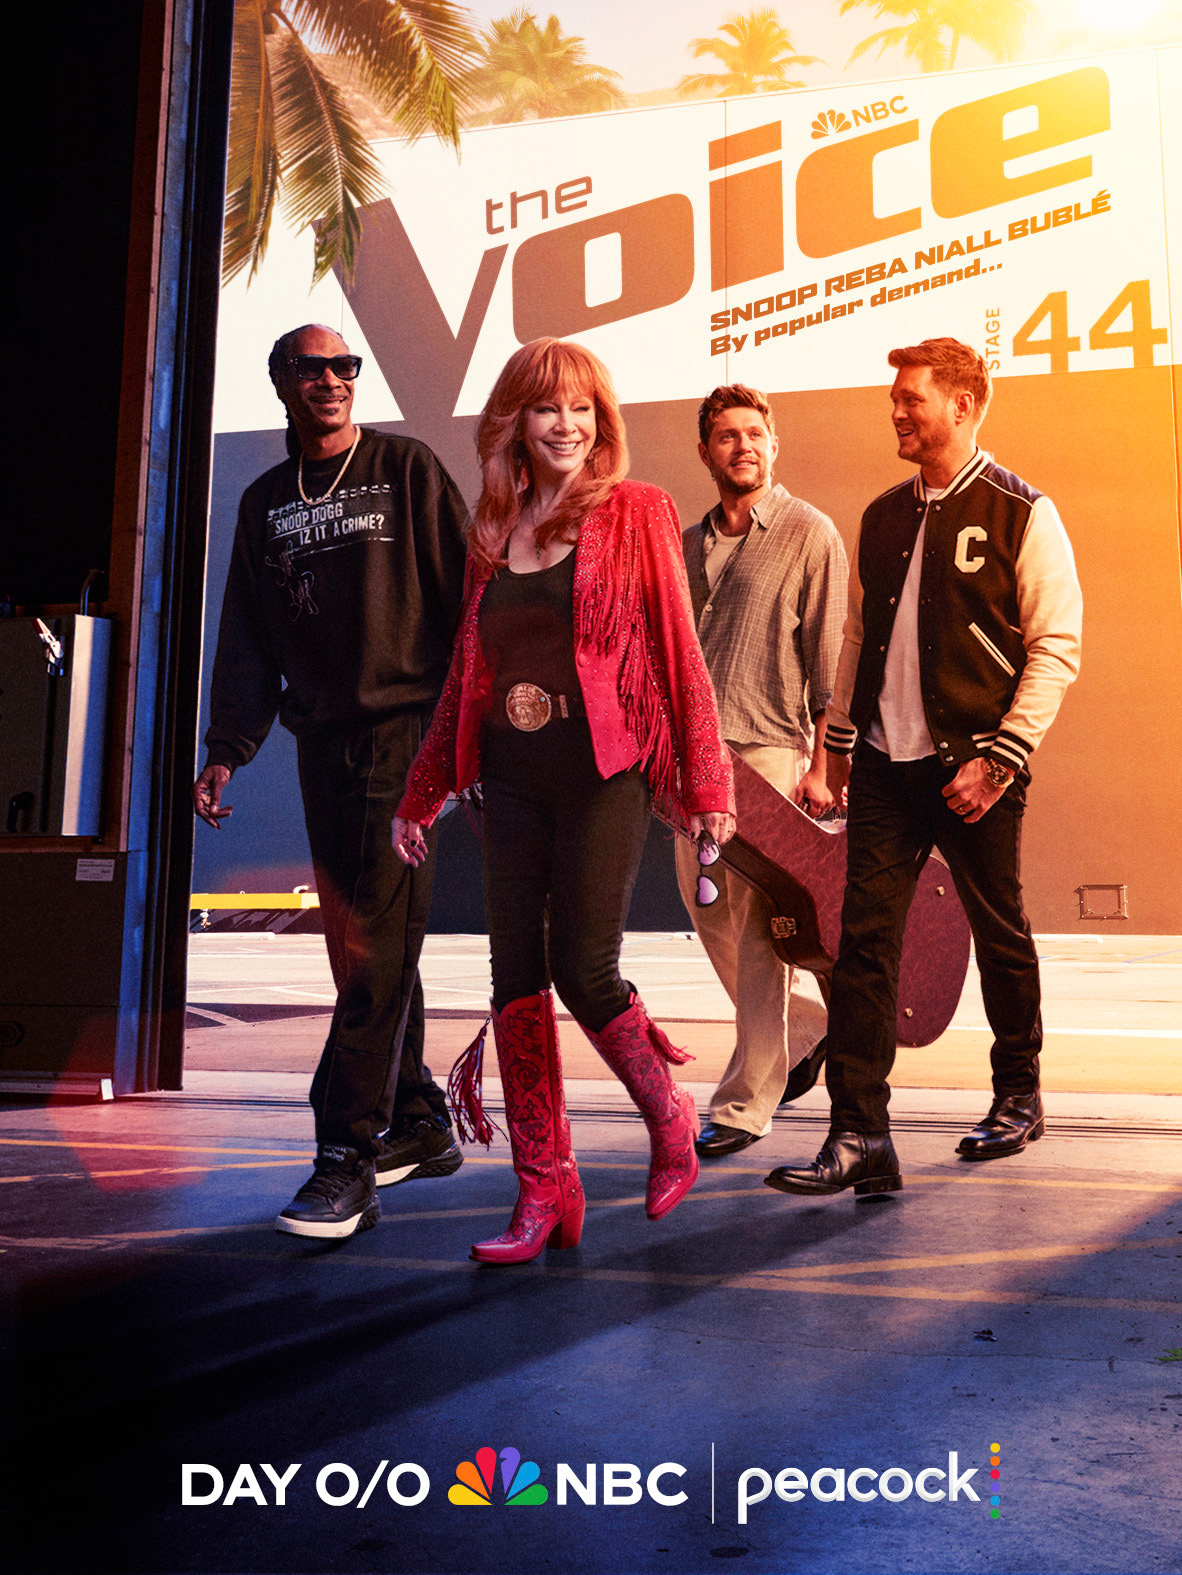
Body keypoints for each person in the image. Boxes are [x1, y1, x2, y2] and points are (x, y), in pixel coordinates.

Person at [393, 337, 735, 1264]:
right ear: (515, 422)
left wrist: (707, 781)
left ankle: (669, 1117)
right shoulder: (493, 531)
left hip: (602, 773)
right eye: (548, 408)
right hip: (510, 777)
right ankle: (544, 1186)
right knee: (514, 980)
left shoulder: (637, 511)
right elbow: (468, 671)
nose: (568, 425)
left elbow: (678, 649)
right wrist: (422, 791)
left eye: (583, 408)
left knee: (584, 968)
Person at [765, 337, 1082, 1200]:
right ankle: (860, 1133)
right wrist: (837, 748)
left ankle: (1018, 1094)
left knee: (998, 930)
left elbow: (1056, 648)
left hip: (976, 769)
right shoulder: (881, 516)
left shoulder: (1023, 511)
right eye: (895, 398)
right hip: (882, 766)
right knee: (863, 943)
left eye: (912, 398)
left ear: (963, 404)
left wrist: (1001, 760)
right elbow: (857, 639)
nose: (897, 411)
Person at [193, 323, 469, 1239]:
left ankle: (344, 1152)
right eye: (312, 368)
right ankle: (419, 1115)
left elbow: (470, 601)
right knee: (361, 948)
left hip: (405, 738)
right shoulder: (268, 501)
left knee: (377, 945)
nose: (333, 379)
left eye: (345, 365)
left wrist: (460, 741)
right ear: (283, 382)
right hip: (323, 744)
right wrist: (227, 746)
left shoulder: (405, 469)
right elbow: (246, 631)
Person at [677, 385, 846, 1157]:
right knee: (707, 907)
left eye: (754, 433)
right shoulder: (686, 544)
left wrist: (823, 765)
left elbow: (829, 665)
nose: (742, 445)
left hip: (770, 750)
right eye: (726, 435)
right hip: (695, 760)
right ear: (705, 451)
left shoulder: (810, 532)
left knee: (751, 924)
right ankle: (807, 1027)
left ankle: (747, 1102)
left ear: (773, 446)